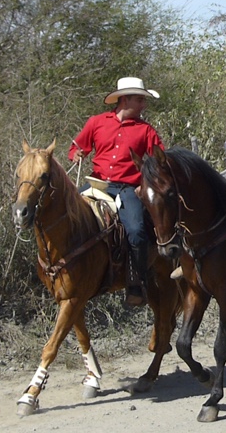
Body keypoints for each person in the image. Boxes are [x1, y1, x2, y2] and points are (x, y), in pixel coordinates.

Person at [68, 77, 164, 306]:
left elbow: (160, 163)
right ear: (125, 100)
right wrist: (76, 155)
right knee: (68, 215)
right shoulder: (96, 122)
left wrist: (146, 184)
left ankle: (136, 283)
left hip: (126, 189)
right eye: (139, 100)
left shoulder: (146, 131)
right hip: (96, 184)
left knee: (137, 231)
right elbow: (77, 147)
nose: (143, 105)